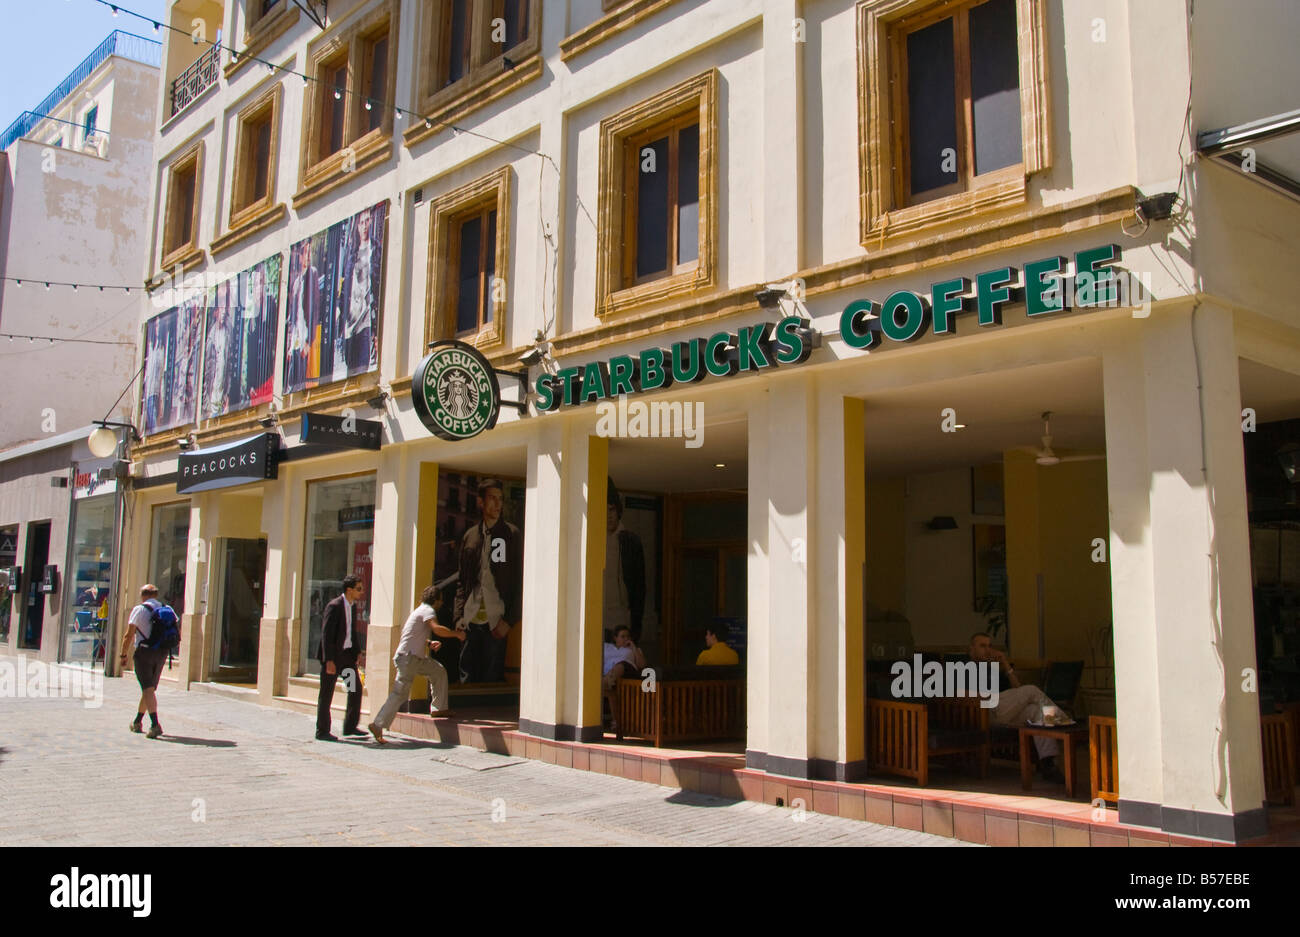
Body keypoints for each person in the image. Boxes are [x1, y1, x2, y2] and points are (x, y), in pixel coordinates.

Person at [368, 586, 465, 743]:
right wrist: (456, 634)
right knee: (400, 693)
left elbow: (411, 635)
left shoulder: (419, 610)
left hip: (415, 658)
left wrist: (428, 642)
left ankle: (439, 708)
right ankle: (378, 724)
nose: (441, 603)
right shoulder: (428, 610)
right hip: (409, 659)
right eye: (440, 599)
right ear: (436, 600)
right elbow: (436, 628)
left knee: (438, 671)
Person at [968, 632, 1064, 783]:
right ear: (972, 648)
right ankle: (1062, 722)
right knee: (1031, 690)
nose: (987, 650)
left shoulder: (993, 668)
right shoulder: (965, 667)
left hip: (1004, 710)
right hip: (986, 711)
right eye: (982, 646)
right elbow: (963, 694)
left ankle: (1048, 763)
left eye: (989, 646)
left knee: (1036, 711)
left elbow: (1017, 689)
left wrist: (1005, 664)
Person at [453, 479, 522, 683]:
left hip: (496, 621)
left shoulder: (511, 534)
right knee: (467, 678)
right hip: (470, 620)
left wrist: (509, 621)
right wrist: (458, 618)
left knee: (491, 680)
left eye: (500, 499)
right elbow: (461, 581)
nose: (497, 504)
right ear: (481, 502)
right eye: (492, 498)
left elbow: (519, 583)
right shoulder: (470, 536)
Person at [316, 576, 366, 741]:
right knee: (327, 694)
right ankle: (322, 731)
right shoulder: (335, 606)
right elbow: (326, 634)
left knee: (354, 689)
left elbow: (351, 632)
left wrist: (357, 651)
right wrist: (329, 659)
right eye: (358, 589)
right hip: (333, 658)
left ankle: (350, 727)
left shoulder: (352, 606)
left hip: (346, 657)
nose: (361, 592)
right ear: (349, 590)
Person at [119, 584, 169, 739]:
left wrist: (123, 655)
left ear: (143, 595)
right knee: (149, 689)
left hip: (144, 653)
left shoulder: (139, 610)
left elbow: (129, 635)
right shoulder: (166, 608)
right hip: (161, 653)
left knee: (147, 689)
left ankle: (155, 725)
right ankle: (137, 721)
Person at [603, 480, 646, 642]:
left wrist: (636, 622)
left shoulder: (630, 540)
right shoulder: (591, 538)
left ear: (618, 511)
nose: (608, 515)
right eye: (604, 510)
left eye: (612, 510)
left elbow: (639, 585)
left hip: (622, 615)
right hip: (597, 613)